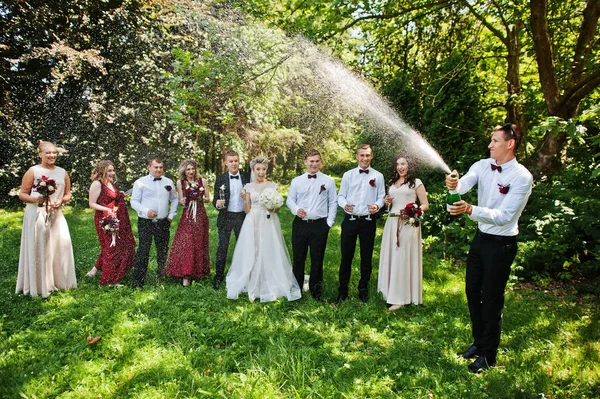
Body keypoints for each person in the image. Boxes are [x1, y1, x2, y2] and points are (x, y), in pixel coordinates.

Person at [447, 123, 533, 373]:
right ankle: (478, 343)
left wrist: (470, 209)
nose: (490, 145)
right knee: (473, 293)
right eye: (490, 140)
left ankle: (489, 356)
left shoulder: (522, 177)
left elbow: (505, 216)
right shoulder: (482, 165)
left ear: (510, 143)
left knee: (491, 300)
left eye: (495, 140)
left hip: (501, 245)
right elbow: (462, 186)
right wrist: (453, 184)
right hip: (481, 239)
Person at [226, 156, 301, 303]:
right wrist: (244, 200)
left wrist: (272, 205)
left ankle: (266, 280)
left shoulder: (272, 186)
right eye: (258, 169)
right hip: (252, 220)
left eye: (263, 169)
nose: (261, 172)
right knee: (252, 248)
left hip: (268, 220)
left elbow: (277, 208)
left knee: (267, 247)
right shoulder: (248, 187)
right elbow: (247, 210)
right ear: (253, 170)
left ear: (267, 170)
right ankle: (251, 278)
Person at [16, 141, 77, 298]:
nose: (52, 155)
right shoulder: (33, 171)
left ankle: (61, 282)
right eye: (48, 153)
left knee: (61, 245)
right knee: (40, 248)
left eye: (54, 152)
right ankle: (40, 284)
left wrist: (61, 201)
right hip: (37, 213)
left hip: (56, 214)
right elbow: (22, 194)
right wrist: (37, 200)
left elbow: (68, 194)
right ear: (40, 154)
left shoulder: (62, 172)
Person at [377, 155, 429, 310]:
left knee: (401, 257)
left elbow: (425, 204)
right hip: (392, 223)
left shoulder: (416, 182)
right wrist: (387, 204)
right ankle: (388, 291)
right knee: (392, 256)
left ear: (410, 165)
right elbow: (389, 205)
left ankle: (400, 298)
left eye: (403, 164)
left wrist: (413, 212)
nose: (400, 167)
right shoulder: (391, 183)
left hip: (407, 224)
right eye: (398, 164)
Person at [337, 144, 385, 303]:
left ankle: (363, 288)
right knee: (346, 256)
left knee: (366, 257)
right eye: (362, 155)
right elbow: (341, 196)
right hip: (350, 221)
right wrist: (345, 205)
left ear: (372, 156)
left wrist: (377, 206)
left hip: (368, 222)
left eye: (368, 155)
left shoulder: (378, 176)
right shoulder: (348, 175)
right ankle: (342, 290)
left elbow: (381, 197)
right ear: (356, 156)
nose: (365, 158)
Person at [286, 149, 337, 300]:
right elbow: (290, 200)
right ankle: (296, 291)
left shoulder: (328, 181)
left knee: (317, 259)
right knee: (298, 258)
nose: (314, 164)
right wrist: (296, 210)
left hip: (319, 226)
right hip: (300, 225)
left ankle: (316, 292)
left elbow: (333, 202)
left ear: (320, 162)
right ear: (305, 162)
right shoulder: (297, 181)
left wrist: (329, 223)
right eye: (311, 161)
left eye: (317, 161)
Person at [130, 157, 178, 288]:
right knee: (143, 250)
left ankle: (161, 275)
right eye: (156, 167)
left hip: (163, 222)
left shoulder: (168, 182)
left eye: (161, 167)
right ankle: (138, 281)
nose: (159, 170)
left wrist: (171, 215)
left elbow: (174, 199)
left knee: (162, 249)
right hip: (146, 221)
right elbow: (134, 201)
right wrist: (145, 211)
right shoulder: (140, 182)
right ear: (149, 167)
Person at [86, 160, 136, 285]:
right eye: (109, 170)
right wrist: (107, 209)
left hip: (115, 217)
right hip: (104, 219)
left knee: (113, 246)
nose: (112, 173)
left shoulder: (110, 183)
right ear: (101, 171)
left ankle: (94, 271)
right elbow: (92, 204)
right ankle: (108, 280)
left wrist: (120, 194)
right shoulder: (97, 184)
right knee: (111, 247)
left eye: (113, 170)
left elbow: (111, 197)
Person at [165, 160, 211, 286]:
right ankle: (186, 274)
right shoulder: (180, 182)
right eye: (188, 169)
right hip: (188, 214)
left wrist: (201, 197)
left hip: (200, 214)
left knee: (198, 242)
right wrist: (182, 200)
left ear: (196, 169)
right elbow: (181, 200)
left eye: (192, 169)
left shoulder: (203, 181)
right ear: (184, 171)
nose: (191, 172)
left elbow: (208, 199)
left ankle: (197, 271)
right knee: (187, 243)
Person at [212, 150, 250, 290]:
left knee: (244, 248)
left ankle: (244, 275)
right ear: (226, 163)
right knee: (222, 248)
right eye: (231, 161)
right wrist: (217, 204)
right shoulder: (220, 178)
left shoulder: (246, 177)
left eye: (236, 160)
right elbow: (215, 198)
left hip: (242, 217)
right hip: (226, 217)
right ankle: (218, 276)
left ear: (238, 161)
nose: (234, 163)